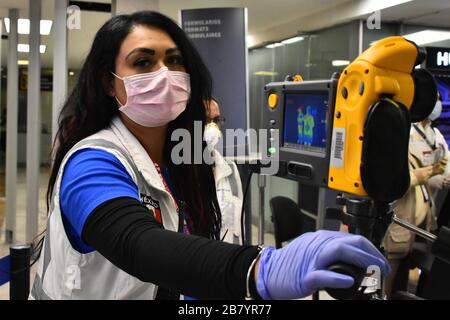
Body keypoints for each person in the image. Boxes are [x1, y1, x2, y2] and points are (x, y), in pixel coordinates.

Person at [30, 11, 389, 300]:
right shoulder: (92, 161)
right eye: (143, 62)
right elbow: (138, 244)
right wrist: (258, 270)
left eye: (174, 60)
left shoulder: (183, 162)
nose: (164, 73)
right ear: (109, 82)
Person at [383, 95, 449, 298]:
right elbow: (396, 181)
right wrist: (428, 173)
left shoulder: (435, 134)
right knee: (389, 271)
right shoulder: (402, 134)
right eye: (434, 99)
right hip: (401, 218)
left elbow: (444, 166)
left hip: (423, 219)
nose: (437, 103)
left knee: (406, 274)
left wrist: (440, 174)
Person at [204, 99, 243, 244]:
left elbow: (238, 227)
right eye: (206, 120)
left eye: (216, 120)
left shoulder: (230, 169)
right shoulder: (180, 174)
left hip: (229, 260)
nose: (212, 128)